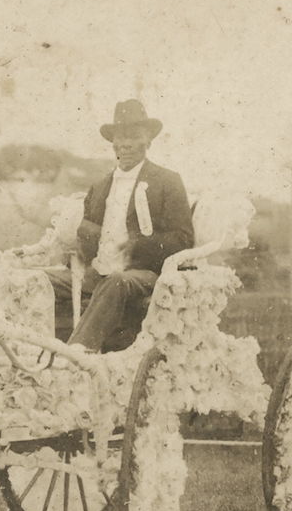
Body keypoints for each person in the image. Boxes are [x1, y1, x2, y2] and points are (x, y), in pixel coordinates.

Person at [47, 99, 193, 351]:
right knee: (38, 280)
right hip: (97, 273)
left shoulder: (166, 181)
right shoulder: (99, 187)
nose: (125, 144)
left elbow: (184, 239)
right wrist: (85, 247)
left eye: (134, 136)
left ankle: (75, 353)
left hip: (142, 274)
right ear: (113, 142)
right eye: (120, 136)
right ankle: (24, 352)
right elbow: (86, 238)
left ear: (148, 141)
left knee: (115, 281)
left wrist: (136, 245)